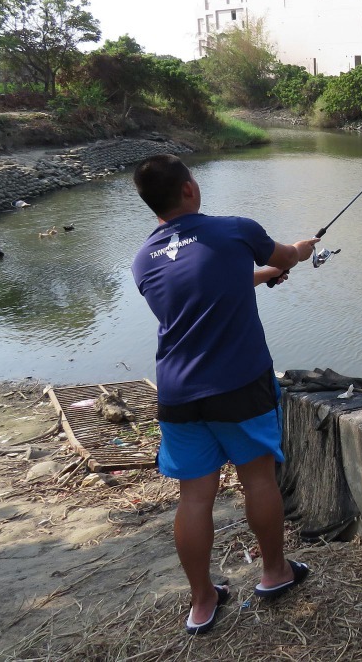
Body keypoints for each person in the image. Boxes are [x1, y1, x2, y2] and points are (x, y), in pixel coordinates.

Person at [131, 154, 319, 636]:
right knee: (258, 480)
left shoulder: (143, 260)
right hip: (238, 382)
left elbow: (195, 299)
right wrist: (298, 250)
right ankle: (274, 573)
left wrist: (254, 278)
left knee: (194, 497)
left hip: (178, 393)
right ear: (190, 189)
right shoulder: (235, 230)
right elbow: (285, 257)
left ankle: (202, 602)